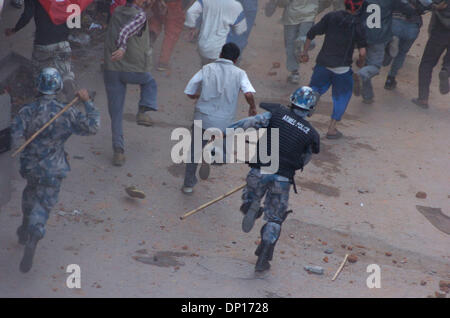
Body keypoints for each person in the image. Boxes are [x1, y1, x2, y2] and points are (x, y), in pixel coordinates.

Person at [11, 68, 100, 273]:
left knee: (30, 192)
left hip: (30, 166)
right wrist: (87, 102)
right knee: (43, 203)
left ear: (38, 87)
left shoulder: (27, 111)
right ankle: (34, 233)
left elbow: (13, 137)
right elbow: (93, 127)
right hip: (54, 167)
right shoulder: (67, 112)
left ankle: (25, 226)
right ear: (59, 87)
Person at [228, 86, 320, 272]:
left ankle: (250, 205)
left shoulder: (276, 114)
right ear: (310, 108)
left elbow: (252, 122)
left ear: (292, 101)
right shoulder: (311, 134)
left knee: (250, 195)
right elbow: (305, 159)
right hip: (283, 178)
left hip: (260, 170)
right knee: (275, 219)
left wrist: (228, 130)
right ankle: (263, 258)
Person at [182, 43, 256, 194]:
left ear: (220, 54)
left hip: (202, 117)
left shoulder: (207, 68)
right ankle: (209, 155)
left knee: (194, 151)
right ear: (236, 60)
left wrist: (197, 96)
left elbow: (189, 90)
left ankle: (188, 184)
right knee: (221, 151)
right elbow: (248, 94)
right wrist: (252, 107)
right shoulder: (240, 73)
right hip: (224, 122)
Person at [300, 0, 367, 139]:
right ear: (359, 7)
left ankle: (300, 119)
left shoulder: (331, 16)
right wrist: (360, 62)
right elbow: (362, 52)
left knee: (313, 90)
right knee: (342, 98)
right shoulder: (358, 24)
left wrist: (305, 53)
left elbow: (311, 33)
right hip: (342, 69)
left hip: (323, 64)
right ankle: (331, 129)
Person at [104, 0, 158, 166]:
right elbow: (125, 31)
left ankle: (118, 151)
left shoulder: (118, 11)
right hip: (131, 69)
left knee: (116, 114)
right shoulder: (140, 16)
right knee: (150, 82)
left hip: (111, 69)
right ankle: (143, 110)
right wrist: (122, 47)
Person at [5, 0, 77, 100]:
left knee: (39, 72)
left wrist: (14, 29)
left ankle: (45, 102)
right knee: (65, 71)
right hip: (63, 42)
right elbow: (74, 13)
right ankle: (69, 90)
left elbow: (27, 15)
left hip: (43, 43)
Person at [353, 0, 416, 104]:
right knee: (374, 67)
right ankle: (361, 74)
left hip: (363, 35)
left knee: (367, 65)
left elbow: (357, 13)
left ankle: (367, 96)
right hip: (379, 37)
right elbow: (408, 9)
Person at [383, 0, 430, 90]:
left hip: (395, 21)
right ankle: (390, 79)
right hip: (412, 27)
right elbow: (429, 5)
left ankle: (388, 55)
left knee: (389, 46)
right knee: (402, 53)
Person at [184, 0, 247, 65]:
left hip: (202, 47)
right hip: (220, 50)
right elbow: (240, 30)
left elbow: (190, 12)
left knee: (205, 67)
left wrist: (192, 27)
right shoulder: (236, 6)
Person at [412, 0, 449, 108]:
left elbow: (428, 3)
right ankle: (446, 70)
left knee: (426, 64)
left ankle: (423, 99)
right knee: (448, 62)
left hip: (439, 32)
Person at [276, 0, 320, 84]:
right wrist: (316, 8)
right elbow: (326, 2)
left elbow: (283, 2)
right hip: (310, 14)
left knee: (290, 43)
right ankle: (306, 44)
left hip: (292, 14)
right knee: (307, 38)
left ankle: (294, 73)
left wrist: (279, 4)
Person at [148, 0, 190, 71]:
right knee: (171, 34)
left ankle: (147, 47)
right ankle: (163, 62)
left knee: (156, 20)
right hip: (175, 5)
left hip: (158, 3)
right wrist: (185, 7)